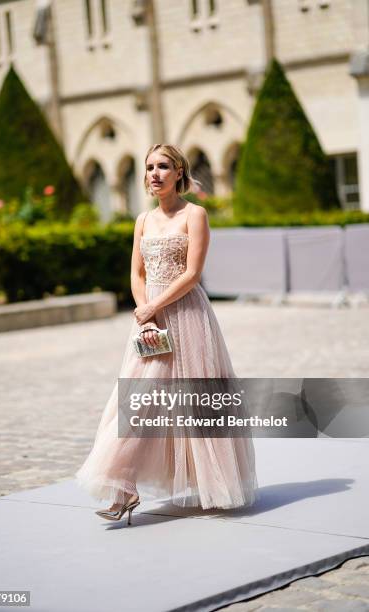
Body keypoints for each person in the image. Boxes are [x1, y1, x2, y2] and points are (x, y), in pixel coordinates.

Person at [75, 144, 259, 525]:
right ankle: (124, 488)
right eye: (149, 168)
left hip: (186, 316)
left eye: (163, 166)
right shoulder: (142, 219)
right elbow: (137, 274)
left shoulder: (196, 214)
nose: (154, 173)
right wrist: (144, 311)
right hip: (149, 320)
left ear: (179, 172)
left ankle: (213, 482)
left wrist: (155, 307)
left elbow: (192, 275)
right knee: (136, 400)